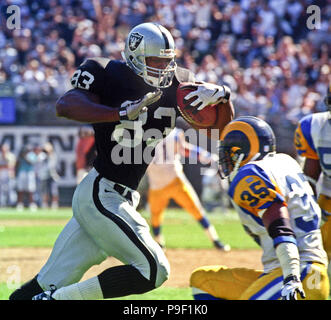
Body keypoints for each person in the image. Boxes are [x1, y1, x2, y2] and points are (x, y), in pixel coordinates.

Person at [10, 22, 233, 300]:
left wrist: (223, 97)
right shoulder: (106, 72)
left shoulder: (179, 83)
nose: (163, 69)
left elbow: (222, 129)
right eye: (155, 61)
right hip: (101, 193)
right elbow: (65, 106)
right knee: (154, 269)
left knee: (43, 286)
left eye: (167, 62)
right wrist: (119, 113)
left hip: (121, 198)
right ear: (134, 55)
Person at [190, 116, 329, 300]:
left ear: (240, 151)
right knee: (203, 281)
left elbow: (280, 225)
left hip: (299, 275)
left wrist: (291, 276)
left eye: (228, 154)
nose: (226, 162)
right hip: (306, 272)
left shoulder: (251, 173)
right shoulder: (286, 162)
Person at [146, 126, 230, 251]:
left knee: (195, 209)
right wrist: (207, 156)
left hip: (173, 180)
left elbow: (184, 149)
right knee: (156, 216)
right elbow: (185, 150)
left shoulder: (145, 133)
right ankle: (159, 244)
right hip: (161, 183)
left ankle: (215, 240)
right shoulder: (171, 133)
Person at [293, 84, 331, 285]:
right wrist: (310, 206)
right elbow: (311, 175)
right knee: (312, 256)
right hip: (328, 198)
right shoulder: (316, 127)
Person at [15, 145, 38, 211]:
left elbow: (31, 162)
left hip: (30, 173)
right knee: (20, 189)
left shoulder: (32, 155)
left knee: (30, 190)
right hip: (22, 172)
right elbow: (17, 163)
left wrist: (25, 157)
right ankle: (20, 204)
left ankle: (32, 204)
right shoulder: (21, 154)